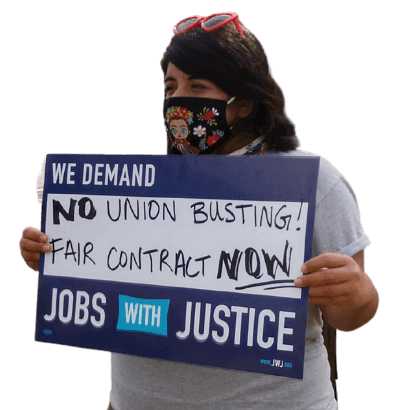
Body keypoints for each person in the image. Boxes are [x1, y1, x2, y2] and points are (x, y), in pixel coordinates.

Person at [20, 12, 379, 410]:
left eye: (197, 85)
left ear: (242, 102)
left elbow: (351, 317)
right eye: (170, 87)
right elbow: (109, 280)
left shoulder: (312, 179)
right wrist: (58, 259)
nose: (177, 101)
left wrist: (358, 292)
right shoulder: (134, 190)